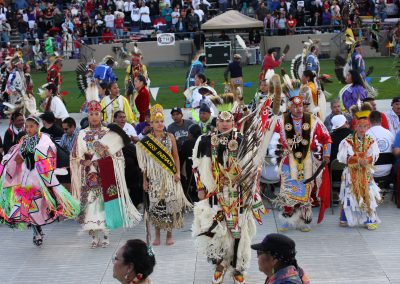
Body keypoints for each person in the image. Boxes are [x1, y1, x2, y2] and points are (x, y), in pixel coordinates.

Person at [191, 109, 267, 284]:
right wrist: (201, 187)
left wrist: (251, 188)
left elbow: (254, 168)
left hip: (238, 193)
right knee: (216, 229)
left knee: (239, 230)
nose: (225, 124)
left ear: (233, 123)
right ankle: (220, 264)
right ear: (217, 123)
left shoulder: (243, 140)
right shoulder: (204, 141)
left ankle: (238, 267)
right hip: (214, 192)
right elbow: (196, 166)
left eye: (228, 121)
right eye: (221, 121)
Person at [70, 83, 141, 248]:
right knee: (91, 206)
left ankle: (106, 234)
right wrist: (83, 162)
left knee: (105, 205)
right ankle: (94, 236)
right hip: (89, 176)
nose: (94, 117)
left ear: (101, 115)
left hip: (106, 175)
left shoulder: (108, 133)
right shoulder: (82, 134)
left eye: (97, 113)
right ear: (88, 116)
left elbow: (119, 156)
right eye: (91, 114)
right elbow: (75, 156)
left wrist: (106, 156)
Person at [0, 115, 80, 246]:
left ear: (37, 126)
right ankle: (36, 231)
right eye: (27, 126)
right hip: (27, 177)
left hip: (40, 177)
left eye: (31, 126)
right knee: (28, 205)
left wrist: (38, 152)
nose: (28, 129)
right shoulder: (24, 140)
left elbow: (50, 152)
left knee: (41, 203)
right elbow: (18, 158)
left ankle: (44, 220)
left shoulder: (44, 139)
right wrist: (10, 161)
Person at [274, 92, 332, 232]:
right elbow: (266, 130)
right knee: (288, 189)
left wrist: (326, 154)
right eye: (294, 106)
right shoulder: (281, 120)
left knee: (304, 190)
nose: (298, 109)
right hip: (288, 161)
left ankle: (304, 219)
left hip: (306, 161)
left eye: (300, 106)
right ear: (289, 107)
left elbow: (327, 138)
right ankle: (287, 217)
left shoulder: (313, 120)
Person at [136, 104, 192, 246]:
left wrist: (178, 172)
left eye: (161, 121)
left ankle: (169, 234)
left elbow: (176, 156)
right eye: (156, 121)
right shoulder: (147, 140)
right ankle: (157, 235)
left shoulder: (170, 137)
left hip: (169, 176)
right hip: (154, 177)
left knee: (169, 204)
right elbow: (145, 163)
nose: (160, 124)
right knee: (156, 206)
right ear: (151, 123)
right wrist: (144, 180)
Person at [338, 108, 381, 230]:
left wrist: (367, 161)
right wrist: (357, 160)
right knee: (348, 194)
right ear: (355, 127)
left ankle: (369, 219)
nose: (362, 129)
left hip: (365, 172)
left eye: (365, 126)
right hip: (351, 172)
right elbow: (343, 157)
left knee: (367, 194)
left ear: (368, 127)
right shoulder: (347, 141)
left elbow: (374, 155)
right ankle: (344, 217)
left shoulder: (371, 141)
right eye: (359, 126)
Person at [366, 111, 394, 178]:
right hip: (388, 170)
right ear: (381, 120)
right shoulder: (389, 133)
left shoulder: (366, 134)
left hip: (371, 172)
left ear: (369, 120)